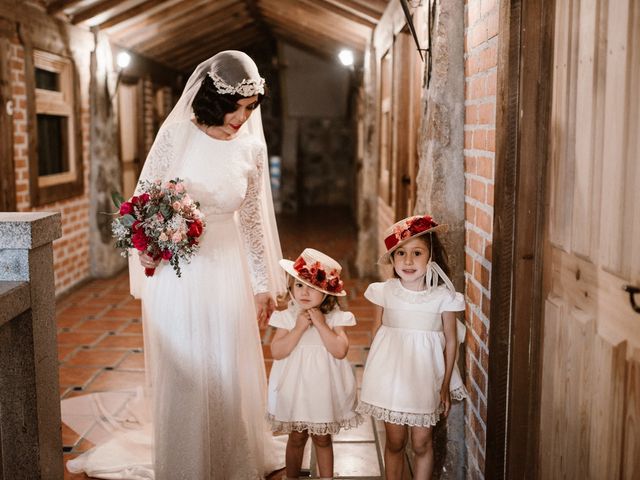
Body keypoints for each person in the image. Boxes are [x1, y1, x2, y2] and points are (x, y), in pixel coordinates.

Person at [64, 51, 286, 479]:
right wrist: (144, 249)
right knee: (185, 367)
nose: (242, 117)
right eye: (235, 107)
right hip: (178, 271)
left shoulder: (252, 148)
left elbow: (255, 222)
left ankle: (229, 458)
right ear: (212, 99)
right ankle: (183, 461)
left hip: (227, 268)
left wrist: (262, 285)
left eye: (250, 108)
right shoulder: (177, 136)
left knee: (224, 369)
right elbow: (140, 206)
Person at [356, 214, 467, 480]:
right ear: (392, 260)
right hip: (391, 377)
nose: (407, 261)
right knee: (395, 442)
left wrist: (445, 385)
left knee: (421, 442)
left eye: (417, 253)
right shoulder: (386, 291)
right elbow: (378, 332)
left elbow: (451, 341)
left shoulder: (444, 297)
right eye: (400, 253)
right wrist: (374, 373)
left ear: (431, 258)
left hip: (425, 377)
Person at [267, 248, 362, 480]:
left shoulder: (334, 318)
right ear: (291, 288)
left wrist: (321, 325)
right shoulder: (287, 317)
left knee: (322, 437)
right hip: (295, 387)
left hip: (322, 388)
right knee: (297, 436)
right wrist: (299, 328)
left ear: (327, 294)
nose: (305, 292)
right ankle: (291, 477)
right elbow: (277, 352)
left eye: (313, 287)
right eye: (299, 285)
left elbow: (340, 351)